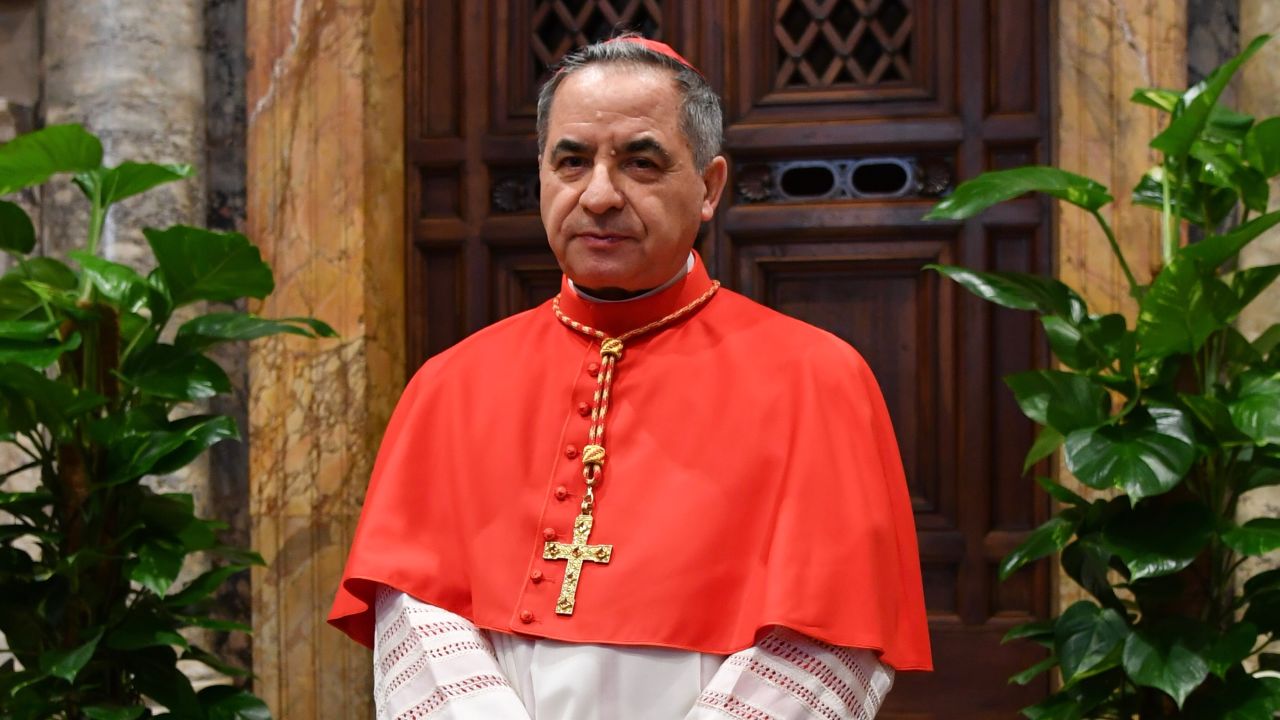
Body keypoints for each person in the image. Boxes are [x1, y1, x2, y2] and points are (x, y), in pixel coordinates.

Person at [329, 36, 931, 719]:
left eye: (640, 162)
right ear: (543, 175)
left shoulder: (817, 378)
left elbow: (830, 634)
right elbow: (418, 617)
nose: (600, 195)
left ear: (708, 188)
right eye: (572, 161)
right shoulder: (449, 384)